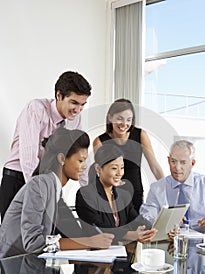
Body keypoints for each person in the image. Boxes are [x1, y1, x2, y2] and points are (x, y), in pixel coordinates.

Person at [0, 128, 114, 258]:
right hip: (9, 265)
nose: (84, 166)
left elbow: (72, 233)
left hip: (26, 265)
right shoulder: (40, 185)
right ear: (62, 158)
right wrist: (89, 242)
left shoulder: (55, 189)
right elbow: (33, 243)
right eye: (80, 161)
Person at [0, 70, 92, 221]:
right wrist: (40, 193)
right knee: (13, 239)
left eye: (82, 104)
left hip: (47, 181)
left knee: (49, 236)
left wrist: (90, 192)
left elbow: (81, 155)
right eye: (74, 102)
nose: (78, 110)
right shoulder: (36, 109)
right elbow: (29, 159)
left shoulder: (75, 119)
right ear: (58, 95)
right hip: (18, 178)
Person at [140, 139, 205, 234]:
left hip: (203, 242)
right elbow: (146, 218)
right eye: (173, 161)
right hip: (169, 241)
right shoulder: (156, 188)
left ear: (192, 163)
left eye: (183, 162)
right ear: (168, 160)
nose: (177, 167)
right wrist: (166, 222)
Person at [92, 98, 164, 212]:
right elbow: (100, 172)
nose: (124, 124)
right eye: (119, 118)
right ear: (110, 117)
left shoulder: (140, 135)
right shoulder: (99, 141)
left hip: (136, 192)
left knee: (138, 227)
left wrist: (165, 189)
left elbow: (154, 166)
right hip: (112, 195)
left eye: (128, 120)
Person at [75, 144, 156, 245]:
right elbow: (99, 229)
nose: (119, 173)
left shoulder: (124, 195)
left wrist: (154, 228)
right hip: (96, 254)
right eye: (114, 168)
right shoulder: (85, 194)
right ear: (98, 168)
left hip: (122, 253)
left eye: (122, 168)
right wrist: (131, 234)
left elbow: (137, 221)